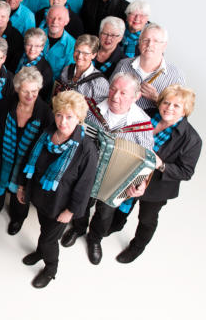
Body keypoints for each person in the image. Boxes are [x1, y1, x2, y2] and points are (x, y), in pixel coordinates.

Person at [61, 73, 154, 265]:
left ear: (136, 97)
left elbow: (147, 160)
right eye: (113, 89)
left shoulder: (143, 125)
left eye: (123, 93)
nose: (115, 96)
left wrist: (142, 183)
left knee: (105, 213)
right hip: (86, 173)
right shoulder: (90, 108)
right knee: (81, 202)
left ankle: (95, 239)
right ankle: (78, 228)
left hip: (116, 180)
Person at [16, 90, 98, 288]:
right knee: (44, 230)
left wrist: (70, 211)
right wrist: (22, 185)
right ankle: (40, 252)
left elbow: (85, 185)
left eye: (69, 117)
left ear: (78, 118)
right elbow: (29, 158)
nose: (63, 122)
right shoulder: (47, 132)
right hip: (40, 195)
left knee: (49, 241)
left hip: (61, 205)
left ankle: (50, 269)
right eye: (59, 115)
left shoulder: (86, 149)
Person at [114, 85, 202, 263]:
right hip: (130, 170)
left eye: (176, 106)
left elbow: (186, 172)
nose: (169, 108)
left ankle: (137, 247)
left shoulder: (192, 139)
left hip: (157, 185)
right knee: (122, 200)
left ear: (185, 110)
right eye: (166, 103)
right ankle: (115, 224)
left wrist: (161, 165)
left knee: (147, 218)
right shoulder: (146, 114)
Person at [0, 66, 54, 234]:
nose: (30, 96)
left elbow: (44, 149)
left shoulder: (46, 114)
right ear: (16, 89)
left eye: (34, 91)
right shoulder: (4, 105)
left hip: (27, 164)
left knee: (21, 195)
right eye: (25, 91)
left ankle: (18, 218)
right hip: (3, 157)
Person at [112, 23, 185, 109]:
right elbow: (108, 94)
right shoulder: (123, 65)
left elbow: (180, 111)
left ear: (164, 46)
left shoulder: (176, 75)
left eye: (156, 41)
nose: (149, 44)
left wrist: (157, 99)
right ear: (139, 42)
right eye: (146, 40)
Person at [56, 34, 110, 102]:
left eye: (85, 53)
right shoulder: (67, 69)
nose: (80, 56)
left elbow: (99, 108)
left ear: (94, 55)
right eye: (77, 51)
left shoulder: (100, 83)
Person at [42, 6, 76, 79]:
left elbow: (67, 76)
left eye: (60, 19)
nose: (55, 22)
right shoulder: (37, 35)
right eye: (52, 17)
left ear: (66, 22)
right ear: (47, 18)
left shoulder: (72, 45)